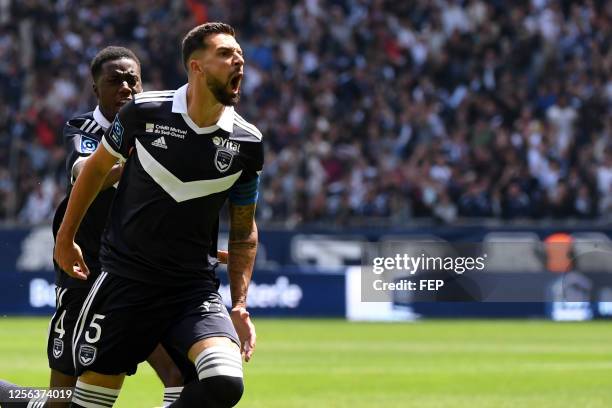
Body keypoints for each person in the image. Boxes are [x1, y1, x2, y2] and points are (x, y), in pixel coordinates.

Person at [55, 22, 261, 408]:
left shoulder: (248, 142)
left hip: (191, 289)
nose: (239, 61)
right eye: (226, 54)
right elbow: (92, 171)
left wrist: (239, 304)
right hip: (123, 282)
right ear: (196, 67)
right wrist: (65, 240)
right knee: (66, 403)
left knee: (224, 382)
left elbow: (244, 229)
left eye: (240, 55)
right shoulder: (144, 114)